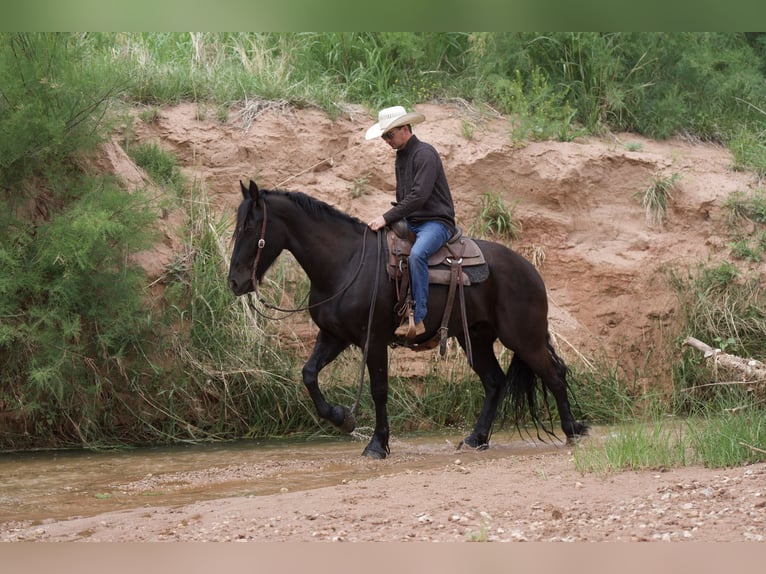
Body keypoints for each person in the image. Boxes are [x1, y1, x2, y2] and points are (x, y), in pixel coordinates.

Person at [365, 105, 456, 338]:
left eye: (389, 135)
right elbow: (404, 199)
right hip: (412, 220)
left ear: (405, 129)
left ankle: (419, 316)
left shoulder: (425, 153)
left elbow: (418, 196)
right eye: (384, 136)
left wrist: (386, 217)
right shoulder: (401, 157)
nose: (386, 140)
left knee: (417, 255)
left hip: (436, 222)